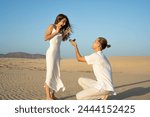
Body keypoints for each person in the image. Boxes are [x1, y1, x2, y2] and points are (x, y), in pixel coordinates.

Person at [44, 14, 72, 100]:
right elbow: (46, 38)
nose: (64, 24)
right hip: (51, 53)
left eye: (65, 22)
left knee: (56, 73)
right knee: (50, 73)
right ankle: (48, 96)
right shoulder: (51, 26)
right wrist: (56, 32)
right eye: (63, 21)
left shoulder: (61, 30)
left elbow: (60, 40)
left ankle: (52, 94)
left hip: (57, 53)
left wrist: (65, 34)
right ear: (58, 19)